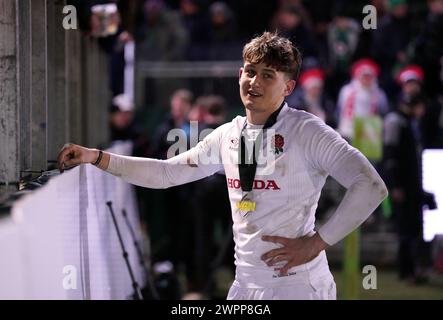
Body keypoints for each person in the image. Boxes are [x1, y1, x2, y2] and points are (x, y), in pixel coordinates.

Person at [57, 32, 388, 300]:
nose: (253, 81)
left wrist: (317, 243)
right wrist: (96, 157)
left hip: (296, 285)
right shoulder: (227, 135)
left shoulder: (308, 131)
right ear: (239, 75)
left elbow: (371, 186)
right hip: (244, 283)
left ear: (288, 87)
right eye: (249, 71)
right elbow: (165, 173)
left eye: (267, 75)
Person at [383, 92, 437, 283]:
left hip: (411, 186)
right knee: (406, 231)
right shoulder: (396, 121)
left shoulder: (407, 122)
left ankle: (413, 271)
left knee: (412, 229)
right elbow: (391, 156)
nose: (422, 112)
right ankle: (407, 272)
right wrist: (396, 185)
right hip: (403, 186)